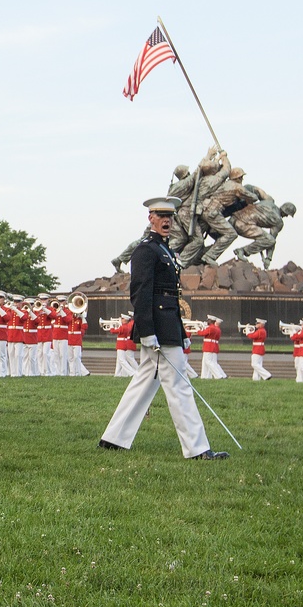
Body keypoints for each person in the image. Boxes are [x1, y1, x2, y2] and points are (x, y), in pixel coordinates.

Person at [100, 196, 228, 460]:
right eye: (161, 216)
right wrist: (147, 331)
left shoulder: (166, 251)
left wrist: (181, 334)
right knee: (179, 387)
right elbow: (141, 294)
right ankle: (198, 449)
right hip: (158, 329)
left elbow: (172, 297)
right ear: (151, 219)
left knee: (144, 383)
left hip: (168, 327)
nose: (167, 221)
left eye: (170, 217)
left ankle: (113, 439)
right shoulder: (146, 250)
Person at [196, 315, 227, 379]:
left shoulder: (211, 328)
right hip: (213, 346)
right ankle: (205, 377)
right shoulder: (217, 328)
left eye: (208, 320)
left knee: (208, 362)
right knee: (206, 362)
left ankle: (218, 376)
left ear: (210, 321)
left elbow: (202, 333)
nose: (207, 321)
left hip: (209, 346)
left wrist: (197, 328)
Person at [110, 313, 137, 377]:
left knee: (122, 360)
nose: (121, 320)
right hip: (122, 344)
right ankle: (117, 374)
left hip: (121, 345)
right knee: (119, 361)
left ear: (125, 320)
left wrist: (111, 326)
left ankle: (132, 372)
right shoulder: (125, 326)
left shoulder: (124, 327)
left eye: (122, 319)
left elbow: (113, 331)